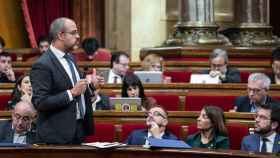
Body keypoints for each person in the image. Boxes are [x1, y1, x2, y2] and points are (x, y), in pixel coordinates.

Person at [30, 17, 98, 144]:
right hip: (56, 136)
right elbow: (40, 102)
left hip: (78, 129)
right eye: (73, 32)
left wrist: (91, 86)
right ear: (61, 35)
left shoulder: (70, 58)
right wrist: (71, 93)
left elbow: (77, 90)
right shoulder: (42, 65)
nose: (78, 36)